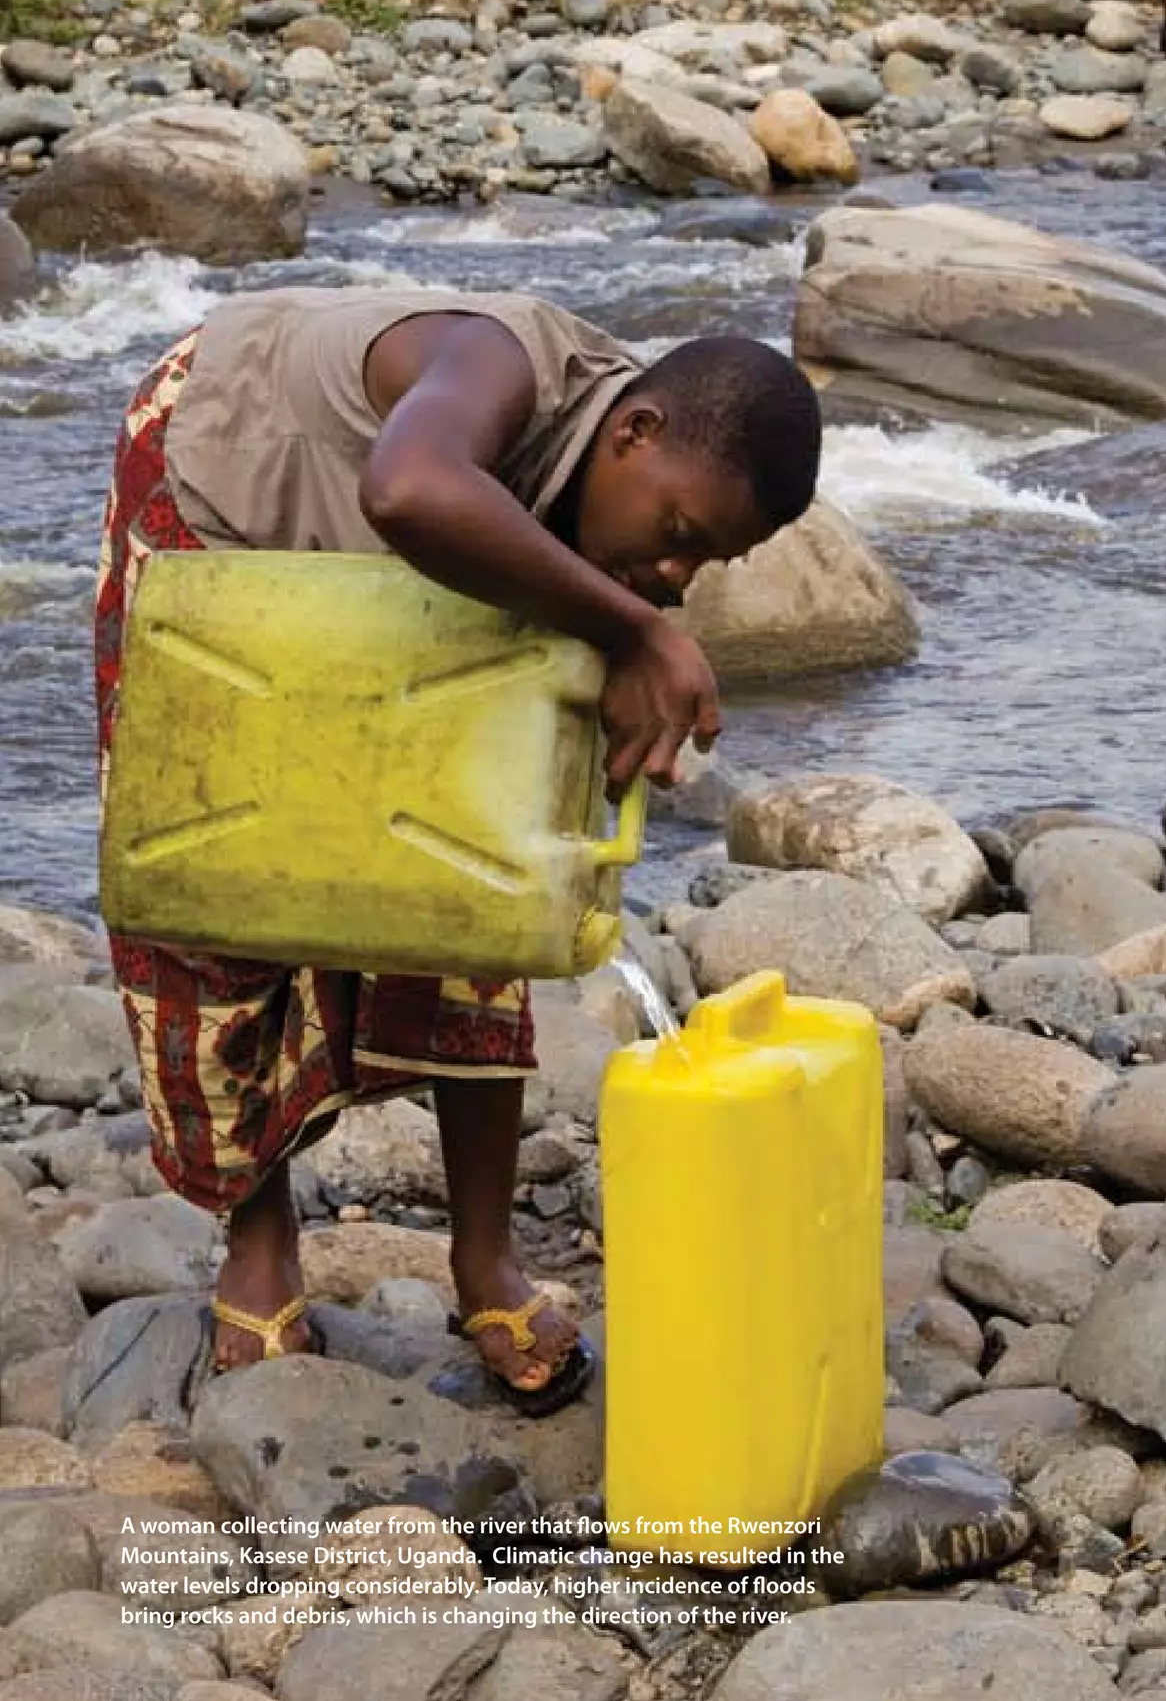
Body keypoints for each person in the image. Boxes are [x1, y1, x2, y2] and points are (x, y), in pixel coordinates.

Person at [94, 284, 822, 1414]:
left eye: (702, 566)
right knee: (221, 872)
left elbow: (505, 875)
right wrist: (627, 626)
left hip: (422, 549)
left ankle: (484, 1260)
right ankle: (259, 1238)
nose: (676, 579)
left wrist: (626, 639)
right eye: (678, 537)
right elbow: (408, 488)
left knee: (476, 864)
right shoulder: (499, 364)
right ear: (631, 434)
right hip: (223, 492)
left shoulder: (604, 494)